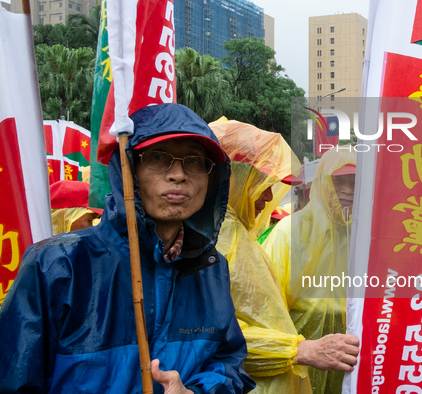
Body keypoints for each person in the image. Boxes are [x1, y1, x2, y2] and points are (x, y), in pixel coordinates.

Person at [0, 104, 255, 393]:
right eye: (159, 158)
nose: (179, 175)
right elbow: (14, 379)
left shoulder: (211, 267)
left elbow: (228, 362)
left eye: (195, 162)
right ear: (128, 170)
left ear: (212, 179)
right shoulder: (58, 264)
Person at [210, 120, 358, 394]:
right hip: (277, 371)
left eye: (355, 182)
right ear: (237, 178)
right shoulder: (223, 241)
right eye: (261, 183)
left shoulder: (239, 237)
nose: (269, 196)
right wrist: (299, 349)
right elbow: (217, 334)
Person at [262, 146, 359, 393]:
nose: (347, 191)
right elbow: (269, 309)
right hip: (298, 358)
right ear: (323, 183)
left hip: (348, 359)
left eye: (354, 182)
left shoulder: (361, 237)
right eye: (339, 182)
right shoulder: (291, 231)